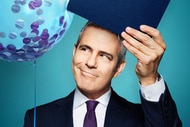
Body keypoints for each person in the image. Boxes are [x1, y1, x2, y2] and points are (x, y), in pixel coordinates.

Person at [24, 21, 182, 127]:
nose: (91, 63)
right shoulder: (38, 118)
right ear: (74, 51)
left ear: (119, 68)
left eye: (104, 56)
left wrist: (149, 78)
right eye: (85, 49)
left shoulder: (140, 119)